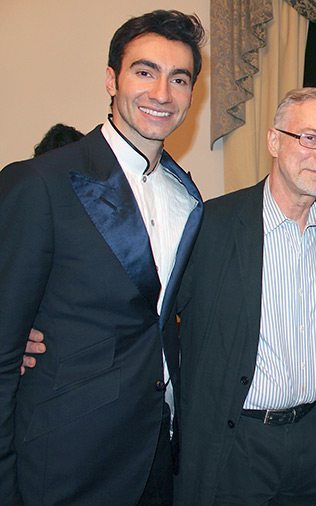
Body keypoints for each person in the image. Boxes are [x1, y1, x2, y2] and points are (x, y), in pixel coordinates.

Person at [0, 10, 205, 505]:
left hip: (159, 456)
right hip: (65, 460)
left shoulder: (188, 198)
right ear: (111, 79)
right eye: (144, 71)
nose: (161, 93)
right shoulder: (40, 182)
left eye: (179, 79)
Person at [174, 85, 316, 505]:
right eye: (309, 137)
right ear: (274, 140)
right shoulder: (211, 225)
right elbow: (150, 314)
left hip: (313, 440)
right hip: (235, 442)